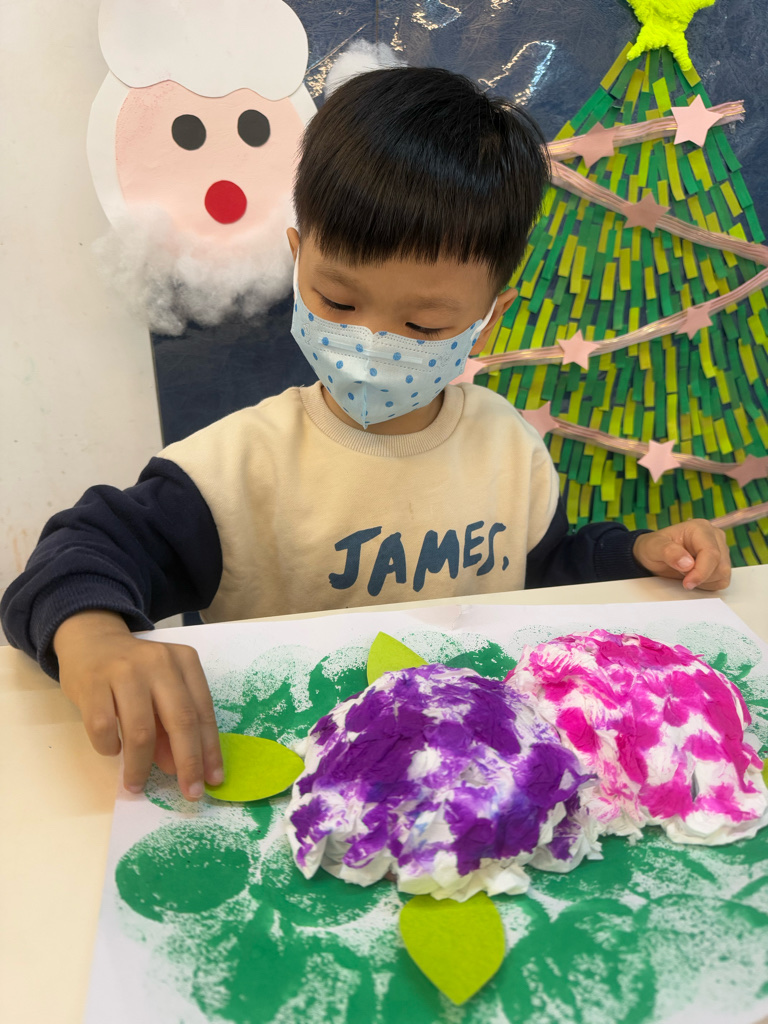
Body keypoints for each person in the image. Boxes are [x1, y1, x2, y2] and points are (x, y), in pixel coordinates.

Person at [1, 66, 731, 803]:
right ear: (298, 259)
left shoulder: (509, 449)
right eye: (338, 300)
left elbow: (545, 572)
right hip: (298, 790)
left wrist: (634, 555)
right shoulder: (233, 470)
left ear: (488, 317)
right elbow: (79, 555)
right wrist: (94, 636)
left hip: (469, 783)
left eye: (424, 324)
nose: (372, 342)